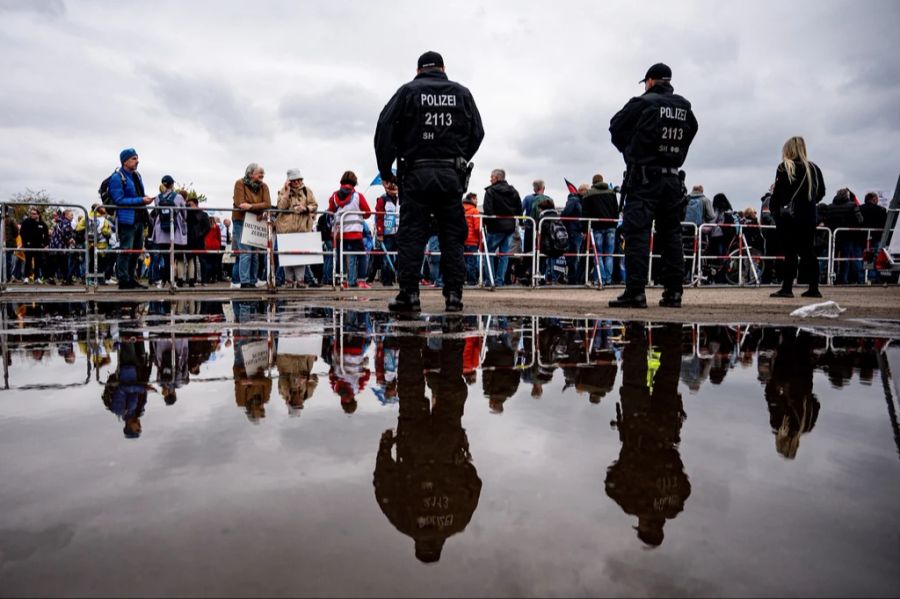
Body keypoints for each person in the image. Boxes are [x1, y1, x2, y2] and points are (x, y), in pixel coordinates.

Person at [374, 50, 485, 313]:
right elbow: (477, 132)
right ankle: (454, 296)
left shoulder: (407, 92)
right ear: (443, 68)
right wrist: (458, 157)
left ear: (418, 70)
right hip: (450, 176)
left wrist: (386, 169)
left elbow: (384, 128)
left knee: (412, 234)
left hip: (416, 173)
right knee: (452, 235)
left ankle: (409, 295)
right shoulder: (462, 93)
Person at [373, 332, 481, 563]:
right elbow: (383, 485)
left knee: (451, 389)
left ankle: (453, 334)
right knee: (411, 389)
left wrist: (463, 464)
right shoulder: (404, 522)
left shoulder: (458, 521)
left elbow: (474, 485)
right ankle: (411, 339)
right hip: (413, 447)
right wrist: (385, 448)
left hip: (448, 447)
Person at [609, 63, 698, 308]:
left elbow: (615, 127)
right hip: (672, 179)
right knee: (671, 235)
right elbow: (693, 131)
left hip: (644, 178)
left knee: (637, 233)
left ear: (649, 81)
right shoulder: (684, 107)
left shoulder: (643, 103)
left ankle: (635, 292)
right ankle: (674, 293)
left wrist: (632, 150)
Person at [605, 323, 690, 547]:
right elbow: (611, 480)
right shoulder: (635, 504)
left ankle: (671, 333)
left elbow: (679, 471)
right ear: (645, 526)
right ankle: (637, 331)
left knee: (667, 376)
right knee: (637, 376)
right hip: (640, 432)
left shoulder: (676, 503)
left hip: (662, 432)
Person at [768, 136, 826, 298]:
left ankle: (787, 288)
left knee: (790, 253)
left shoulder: (785, 167)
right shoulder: (814, 169)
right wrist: (808, 203)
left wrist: (775, 210)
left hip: (788, 217)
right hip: (808, 216)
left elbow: (778, 193)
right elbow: (821, 192)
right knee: (809, 252)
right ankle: (814, 288)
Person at [109, 148, 155, 289]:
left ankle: (131, 277)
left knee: (136, 251)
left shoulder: (136, 176)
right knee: (126, 250)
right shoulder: (117, 177)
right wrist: (141, 200)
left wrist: (144, 199)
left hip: (139, 218)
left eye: (137, 158)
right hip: (127, 219)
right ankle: (123, 279)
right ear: (125, 161)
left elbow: (137, 195)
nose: (137, 161)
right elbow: (119, 200)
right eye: (134, 158)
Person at [328, 171, 372, 289]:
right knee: (361, 255)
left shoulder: (334, 197)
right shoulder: (358, 196)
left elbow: (331, 211)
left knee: (340, 257)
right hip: (355, 233)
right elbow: (368, 212)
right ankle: (361, 281)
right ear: (354, 182)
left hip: (339, 234)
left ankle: (343, 281)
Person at [275, 168, 318, 289]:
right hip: (286, 229)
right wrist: (287, 192)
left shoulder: (307, 191)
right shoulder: (282, 191)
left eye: (299, 179)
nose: (298, 182)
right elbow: (281, 207)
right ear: (289, 181)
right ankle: (288, 281)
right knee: (287, 257)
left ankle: (300, 281)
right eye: (295, 180)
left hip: (301, 229)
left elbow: (314, 205)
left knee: (300, 257)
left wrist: (305, 208)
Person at [232, 163, 272, 289]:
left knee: (255, 253)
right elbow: (240, 203)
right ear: (250, 174)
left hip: (255, 221)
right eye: (259, 174)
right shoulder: (240, 183)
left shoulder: (264, 186)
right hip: (241, 220)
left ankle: (253, 280)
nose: (262, 177)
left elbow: (268, 204)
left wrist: (250, 206)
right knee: (245, 251)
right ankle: (244, 281)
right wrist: (258, 207)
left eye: (263, 175)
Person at [482, 169, 522, 288]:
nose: (490, 179)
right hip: (509, 227)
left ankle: (490, 280)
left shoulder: (490, 191)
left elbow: (488, 211)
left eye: (492, 177)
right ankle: (499, 281)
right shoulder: (514, 191)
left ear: (497, 178)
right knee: (504, 255)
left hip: (495, 227)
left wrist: (487, 223)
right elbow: (519, 210)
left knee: (488, 253)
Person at [581, 174, 620, 285]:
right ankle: (608, 279)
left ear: (593, 182)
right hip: (611, 227)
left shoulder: (589, 194)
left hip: (596, 227)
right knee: (609, 254)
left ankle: (600, 278)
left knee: (597, 254)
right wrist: (614, 224)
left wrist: (585, 229)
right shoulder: (611, 193)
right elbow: (616, 210)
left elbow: (585, 213)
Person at [149, 175, 187, 289]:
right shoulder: (178, 197)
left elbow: (155, 212)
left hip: (161, 230)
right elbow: (184, 213)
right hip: (174, 230)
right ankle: (171, 280)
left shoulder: (157, 198)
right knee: (172, 257)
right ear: (172, 184)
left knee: (164, 256)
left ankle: (163, 280)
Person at [824, 188, 864, 284]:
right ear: (847, 195)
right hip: (847, 236)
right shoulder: (852, 205)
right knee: (845, 259)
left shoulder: (830, 206)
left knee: (831, 258)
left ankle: (829, 278)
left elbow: (826, 220)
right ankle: (843, 279)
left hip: (832, 236)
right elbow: (860, 220)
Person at [372, 180, 400, 287]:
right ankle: (387, 280)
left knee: (401, 256)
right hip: (387, 233)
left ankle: (399, 276)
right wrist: (380, 233)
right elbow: (379, 217)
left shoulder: (401, 199)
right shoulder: (382, 199)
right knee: (386, 258)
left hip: (400, 232)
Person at [19, 206, 49, 284]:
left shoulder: (42, 224)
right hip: (29, 246)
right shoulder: (26, 222)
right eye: (31, 213)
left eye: (34, 214)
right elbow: (22, 233)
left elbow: (46, 234)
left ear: (38, 215)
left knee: (37, 263)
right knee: (28, 262)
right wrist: (25, 243)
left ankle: (37, 278)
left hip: (38, 246)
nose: (32, 215)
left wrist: (45, 244)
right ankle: (26, 277)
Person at [184, 196, 209, 287]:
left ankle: (204, 280)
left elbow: (207, 227)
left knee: (202, 261)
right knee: (191, 261)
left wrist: (200, 235)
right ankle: (192, 279)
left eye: (191, 204)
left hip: (199, 240)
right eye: (188, 204)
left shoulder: (203, 214)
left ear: (196, 204)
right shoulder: (187, 214)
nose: (189, 206)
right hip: (190, 240)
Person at [462, 192, 481, 285]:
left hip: (461, 240)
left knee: (462, 262)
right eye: (476, 199)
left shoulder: (460, 209)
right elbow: (477, 228)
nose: (477, 201)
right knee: (471, 262)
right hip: (472, 240)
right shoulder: (474, 211)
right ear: (472, 199)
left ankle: (461, 280)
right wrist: (480, 239)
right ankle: (471, 281)